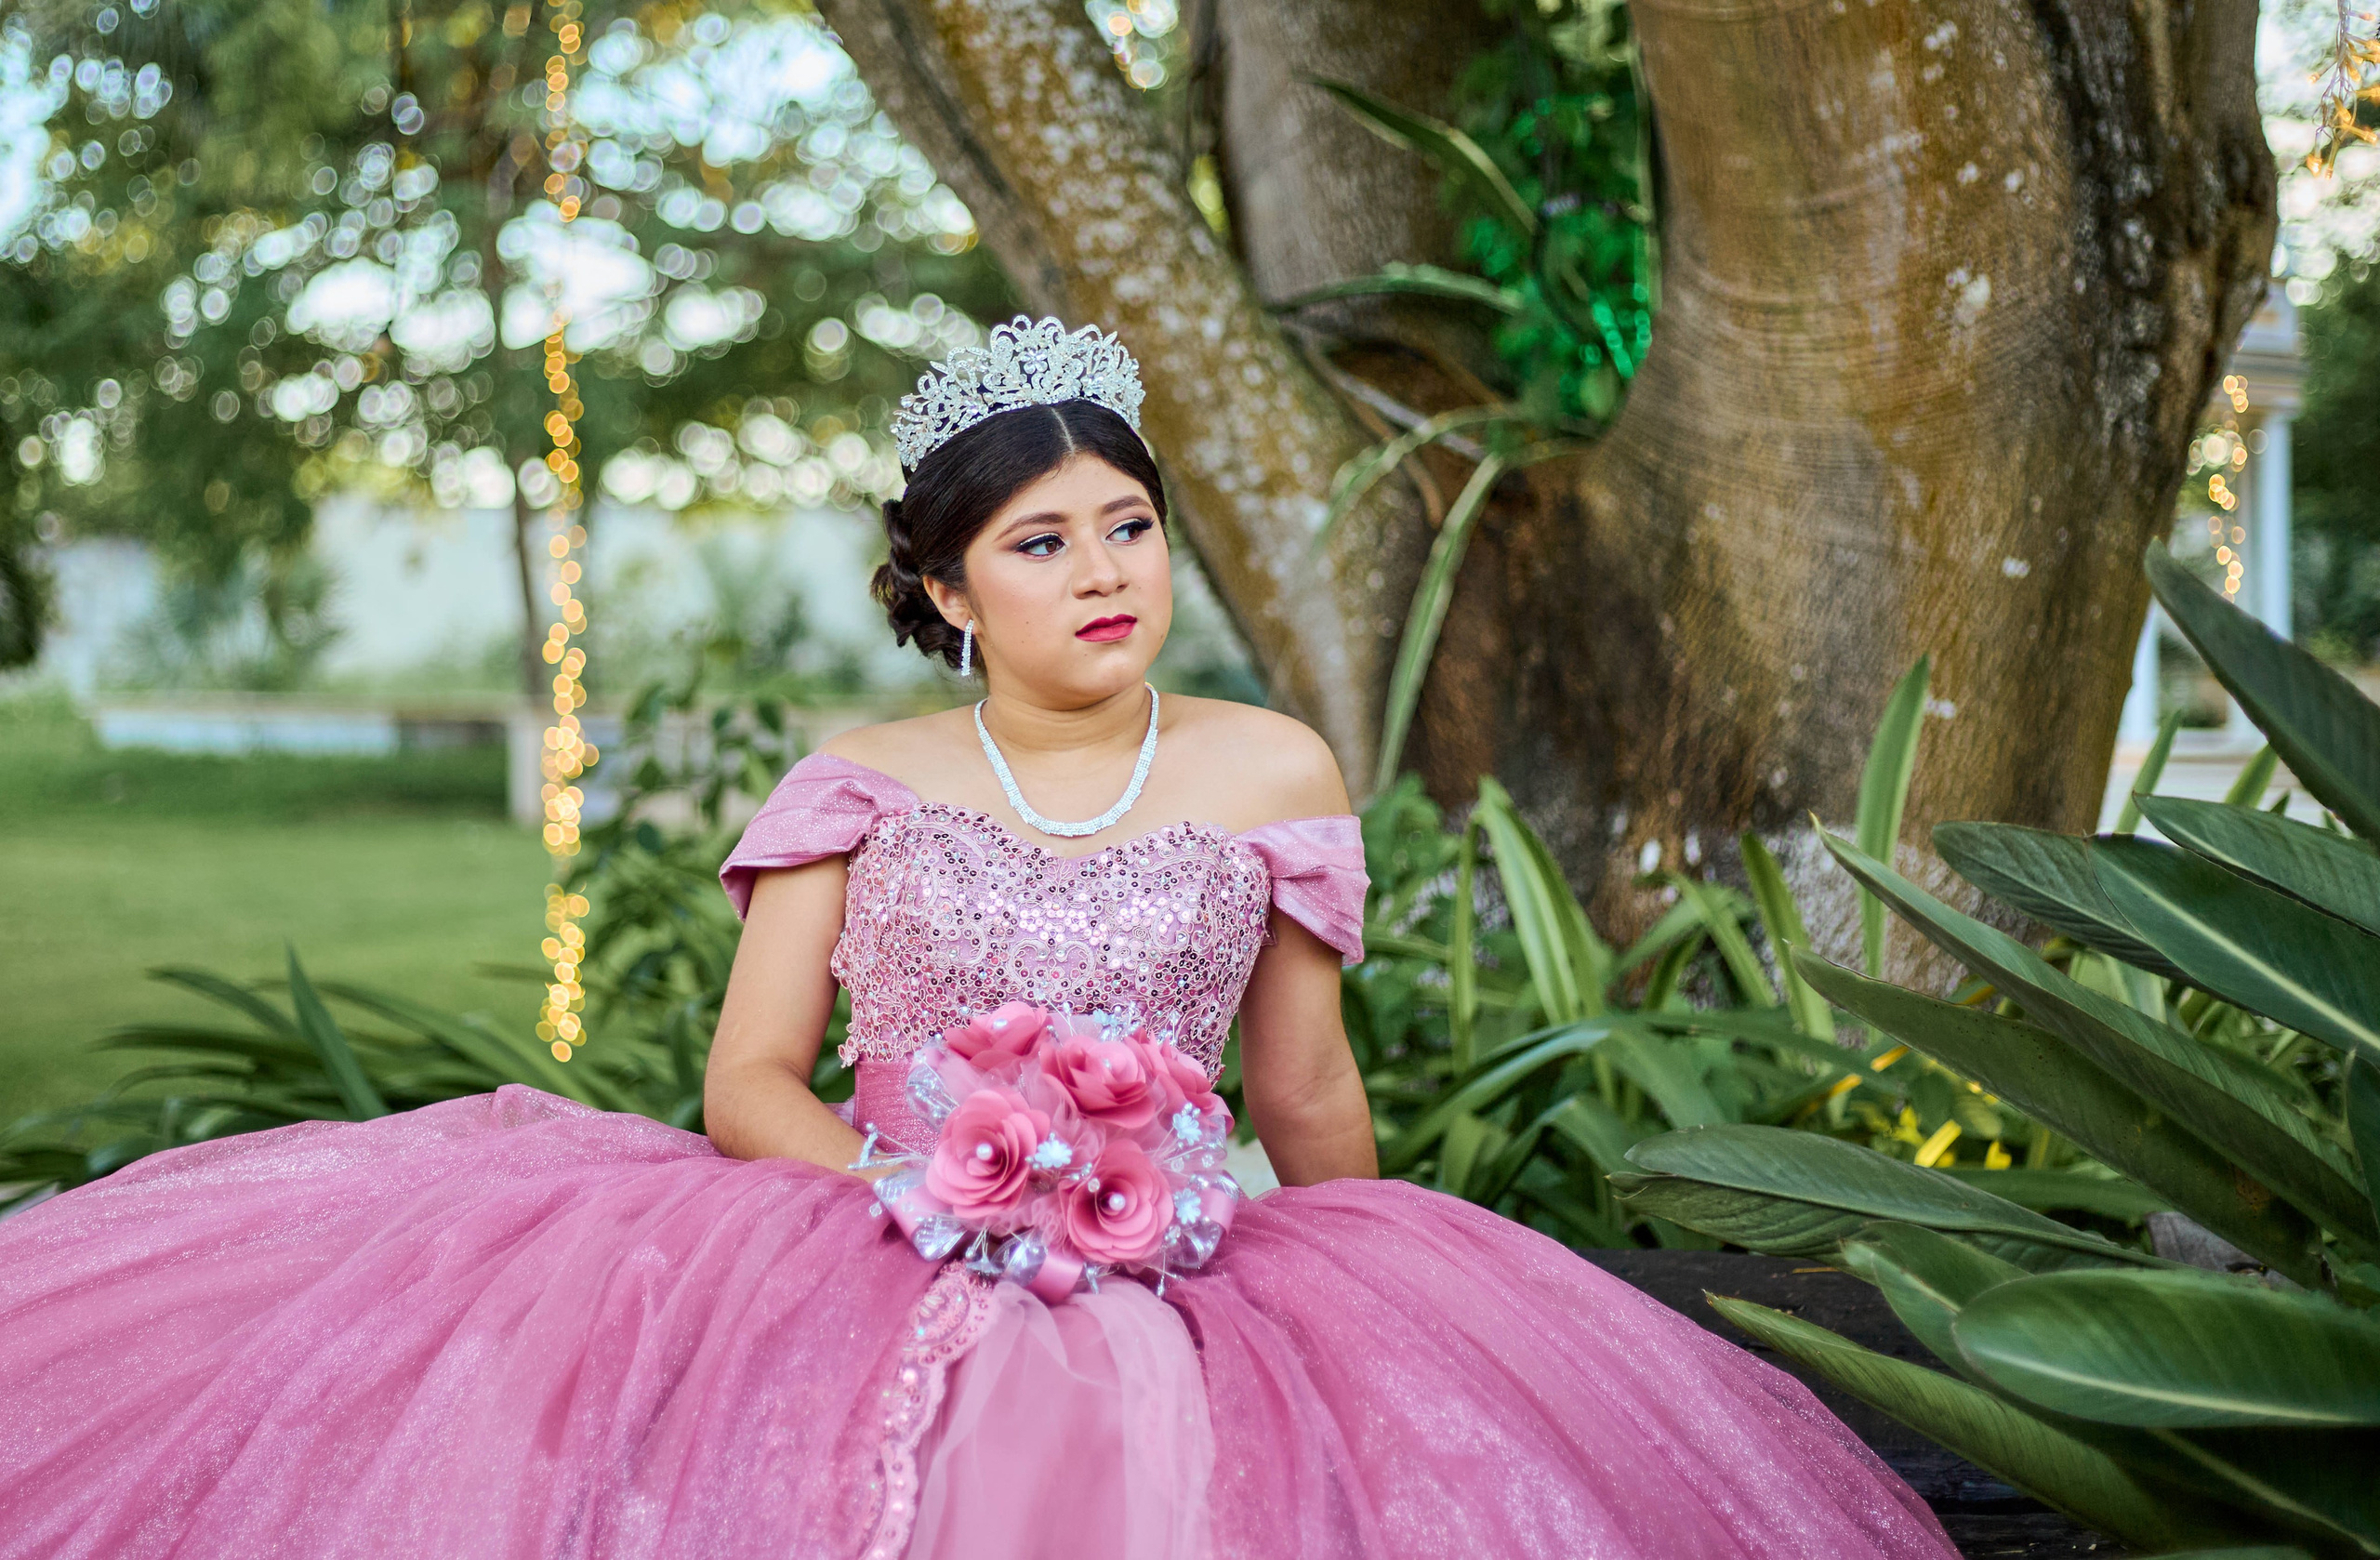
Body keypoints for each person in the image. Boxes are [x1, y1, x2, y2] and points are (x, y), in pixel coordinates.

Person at [0, 316, 1958, 1560]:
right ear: (946, 589)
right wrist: (933, 1205)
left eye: (1128, 525)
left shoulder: (1271, 766)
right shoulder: (857, 781)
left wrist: (1395, 1312)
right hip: (861, 1231)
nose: (1102, 571)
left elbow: (1304, 1089)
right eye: (1040, 541)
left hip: (1184, 1250)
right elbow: (746, 1079)